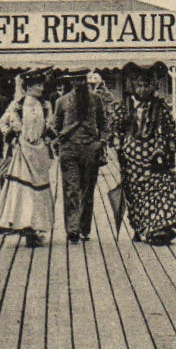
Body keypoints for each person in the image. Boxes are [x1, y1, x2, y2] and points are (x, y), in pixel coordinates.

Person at [113, 62, 176, 245]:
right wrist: (117, 141)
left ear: (152, 86)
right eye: (139, 85)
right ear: (133, 86)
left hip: (155, 152)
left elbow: (169, 126)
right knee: (135, 193)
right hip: (132, 156)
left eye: (146, 85)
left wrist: (170, 144)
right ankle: (141, 228)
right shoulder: (125, 105)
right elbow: (116, 127)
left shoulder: (159, 104)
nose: (143, 89)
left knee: (159, 190)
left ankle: (158, 226)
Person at [0, 70, 56, 247]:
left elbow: (50, 126)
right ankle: (27, 229)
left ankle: (36, 228)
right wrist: (12, 139)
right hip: (23, 153)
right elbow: (2, 122)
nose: (41, 88)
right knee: (25, 190)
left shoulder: (46, 105)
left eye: (42, 85)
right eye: (38, 85)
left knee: (39, 191)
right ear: (28, 87)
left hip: (39, 153)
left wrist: (47, 138)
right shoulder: (17, 105)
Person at [53, 72, 109, 243]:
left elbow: (104, 123)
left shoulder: (95, 99)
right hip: (69, 149)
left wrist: (101, 142)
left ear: (85, 80)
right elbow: (56, 126)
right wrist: (60, 144)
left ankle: (84, 228)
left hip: (90, 148)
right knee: (71, 188)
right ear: (71, 82)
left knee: (87, 190)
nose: (79, 83)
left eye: (81, 79)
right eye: (75, 80)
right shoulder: (61, 102)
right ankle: (73, 228)